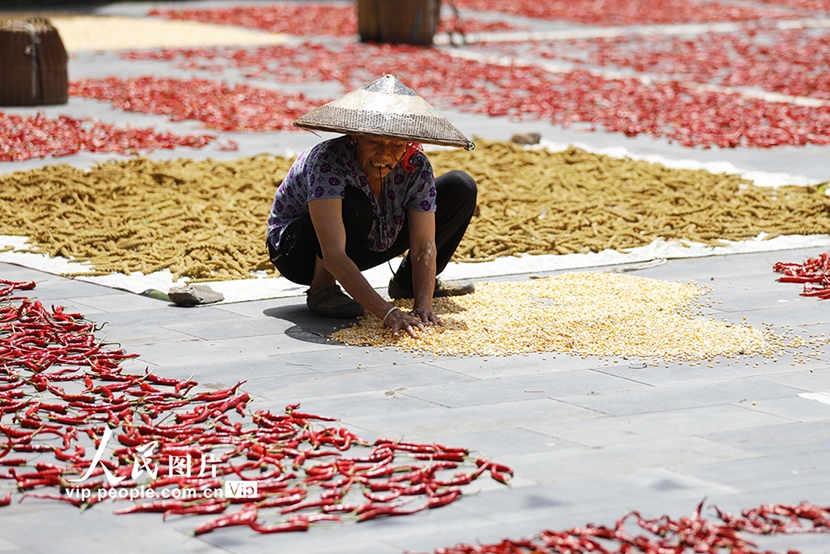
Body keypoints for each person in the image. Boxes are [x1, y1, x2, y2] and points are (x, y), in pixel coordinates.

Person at [266, 74, 477, 339]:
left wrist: (423, 305)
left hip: (368, 240)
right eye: (374, 141)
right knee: (354, 203)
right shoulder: (328, 161)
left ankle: (406, 283)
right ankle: (322, 290)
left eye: (396, 144)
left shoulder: (417, 167)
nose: (384, 154)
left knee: (460, 186)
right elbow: (333, 253)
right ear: (355, 136)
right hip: (298, 253)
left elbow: (425, 244)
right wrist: (388, 313)